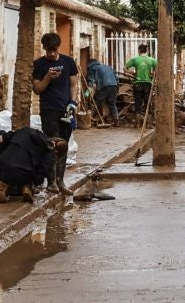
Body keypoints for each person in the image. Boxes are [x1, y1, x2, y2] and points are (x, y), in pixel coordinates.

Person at [32, 32, 77, 190]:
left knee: (64, 145)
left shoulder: (69, 62)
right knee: (52, 144)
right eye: (48, 50)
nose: (51, 53)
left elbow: (73, 84)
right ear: (44, 48)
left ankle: (61, 181)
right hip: (48, 109)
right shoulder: (39, 64)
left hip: (66, 109)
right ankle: (51, 182)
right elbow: (37, 89)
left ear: (58, 47)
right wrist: (48, 78)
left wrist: (73, 103)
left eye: (53, 49)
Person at [124, 46, 158, 123]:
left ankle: (137, 123)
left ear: (139, 50)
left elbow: (125, 68)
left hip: (137, 84)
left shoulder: (135, 59)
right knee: (147, 103)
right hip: (148, 84)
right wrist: (153, 74)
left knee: (137, 103)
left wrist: (132, 73)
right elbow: (158, 69)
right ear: (147, 50)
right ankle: (148, 122)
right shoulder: (152, 60)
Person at [86, 56, 120, 126]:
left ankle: (89, 119)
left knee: (96, 101)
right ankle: (116, 121)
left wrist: (88, 90)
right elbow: (116, 77)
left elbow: (91, 80)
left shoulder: (92, 67)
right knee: (112, 104)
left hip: (104, 85)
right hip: (114, 85)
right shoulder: (108, 66)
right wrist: (117, 87)